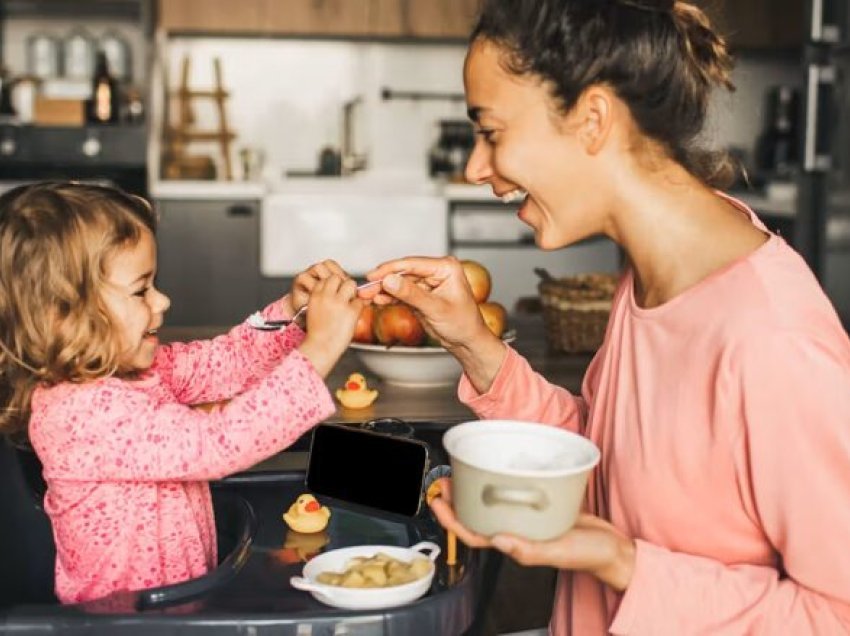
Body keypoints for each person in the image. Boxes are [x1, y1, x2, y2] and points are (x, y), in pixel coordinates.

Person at [362, 0, 850, 633]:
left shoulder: (773, 341)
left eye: (492, 131)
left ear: (592, 119)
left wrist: (625, 564)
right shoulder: (657, 273)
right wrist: (473, 344)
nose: (476, 168)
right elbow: (613, 461)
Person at [0, 182, 363, 604]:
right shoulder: (78, 412)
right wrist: (319, 348)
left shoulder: (135, 371)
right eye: (141, 291)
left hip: (182, 603)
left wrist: (293, 316)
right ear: (59, 316)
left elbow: (225, 360)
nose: (163, 300)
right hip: (127, 626)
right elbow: (219, 442)